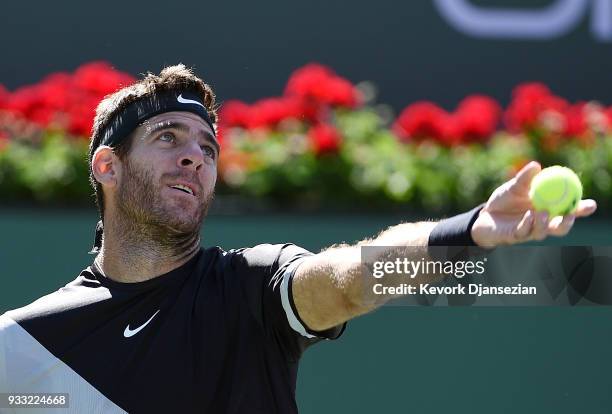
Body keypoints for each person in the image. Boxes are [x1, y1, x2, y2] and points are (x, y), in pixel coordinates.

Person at [0, 65, 597, 414]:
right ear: (107, 166)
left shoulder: (250, 289)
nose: (194, 157)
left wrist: (462, 235)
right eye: (167, 137)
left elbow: (348, 282)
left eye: (207, 149)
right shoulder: (19, 347)